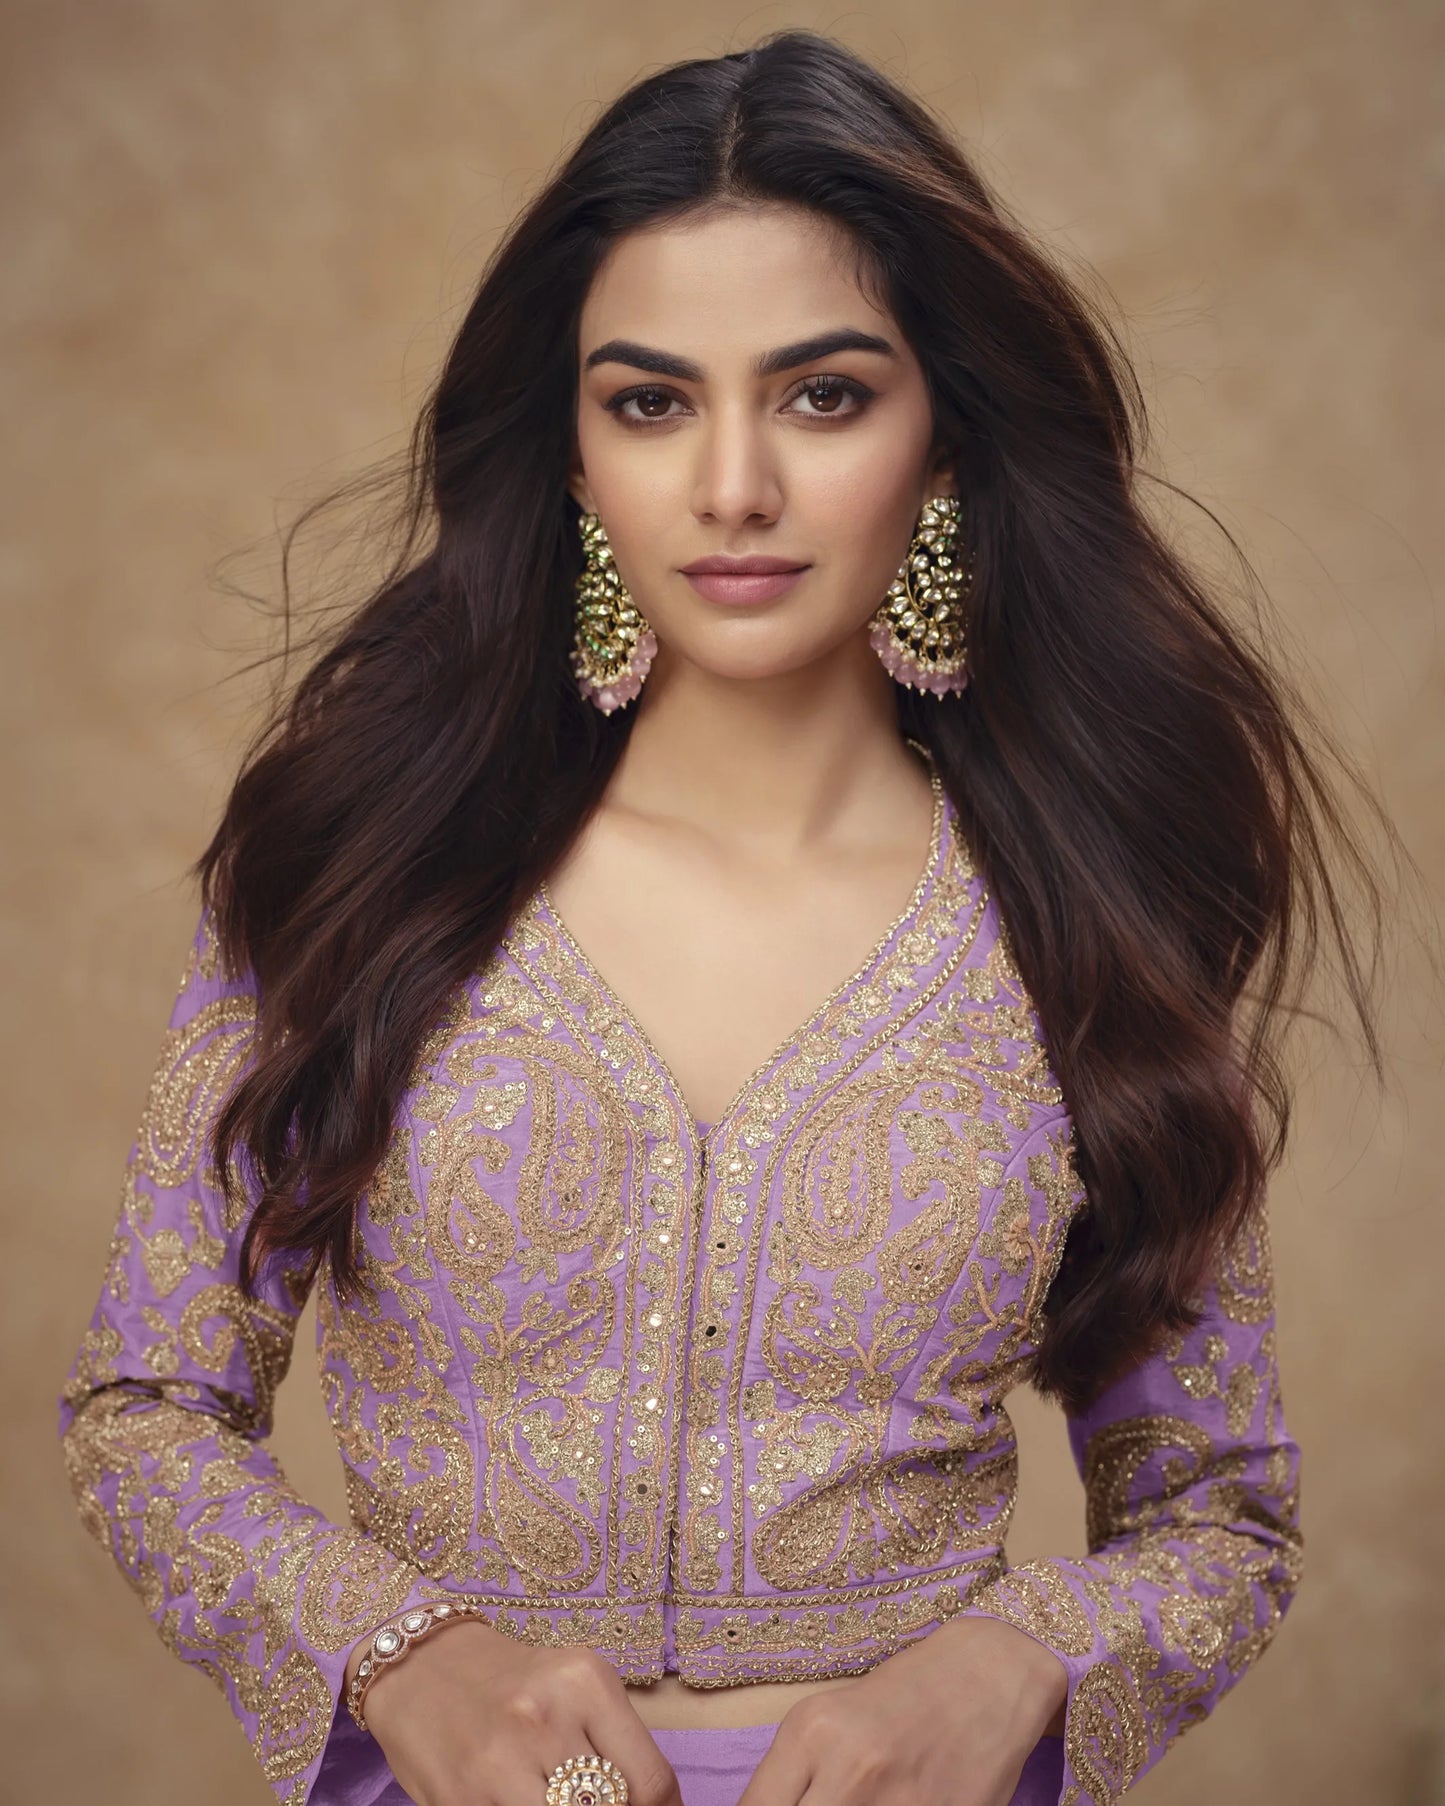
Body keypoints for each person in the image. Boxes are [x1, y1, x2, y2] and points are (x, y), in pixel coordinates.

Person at [57, 28, 1391, 1806]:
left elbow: (1218, 1513)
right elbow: (146, 1412)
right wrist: (402, 1653)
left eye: (824, 394)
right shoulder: (364, 863)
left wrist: (1006, 1663)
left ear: (942, 439)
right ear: (573, 452)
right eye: (652, 399)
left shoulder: (1088, 913)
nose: (734, 485)